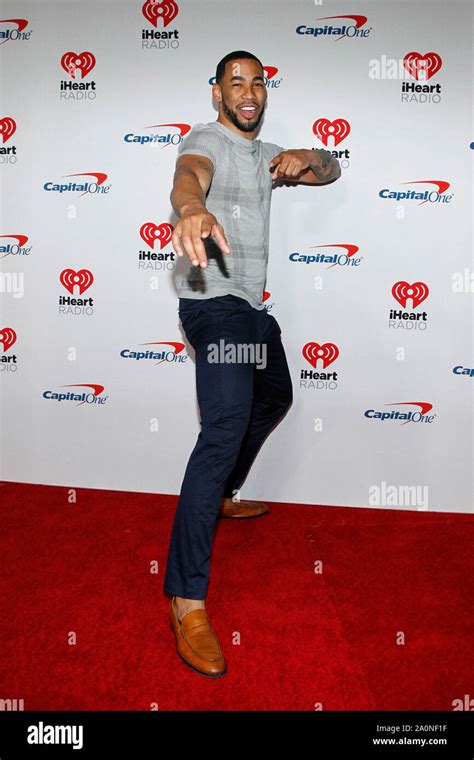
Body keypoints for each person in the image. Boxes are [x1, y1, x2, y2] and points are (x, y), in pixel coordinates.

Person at [164, 50, 342, 678]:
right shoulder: (205, 139)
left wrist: (308, 159)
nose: (248, 91)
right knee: (222, 428)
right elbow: (190, 175)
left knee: (274, 397)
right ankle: (185, 599)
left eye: (258, 82)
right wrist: (191, 209)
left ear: (266, 93)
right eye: (235, 82)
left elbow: (333, 170)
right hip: (214, 308)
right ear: (216, 94)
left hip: (249, 311)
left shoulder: (268, 157)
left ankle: (221, 493)